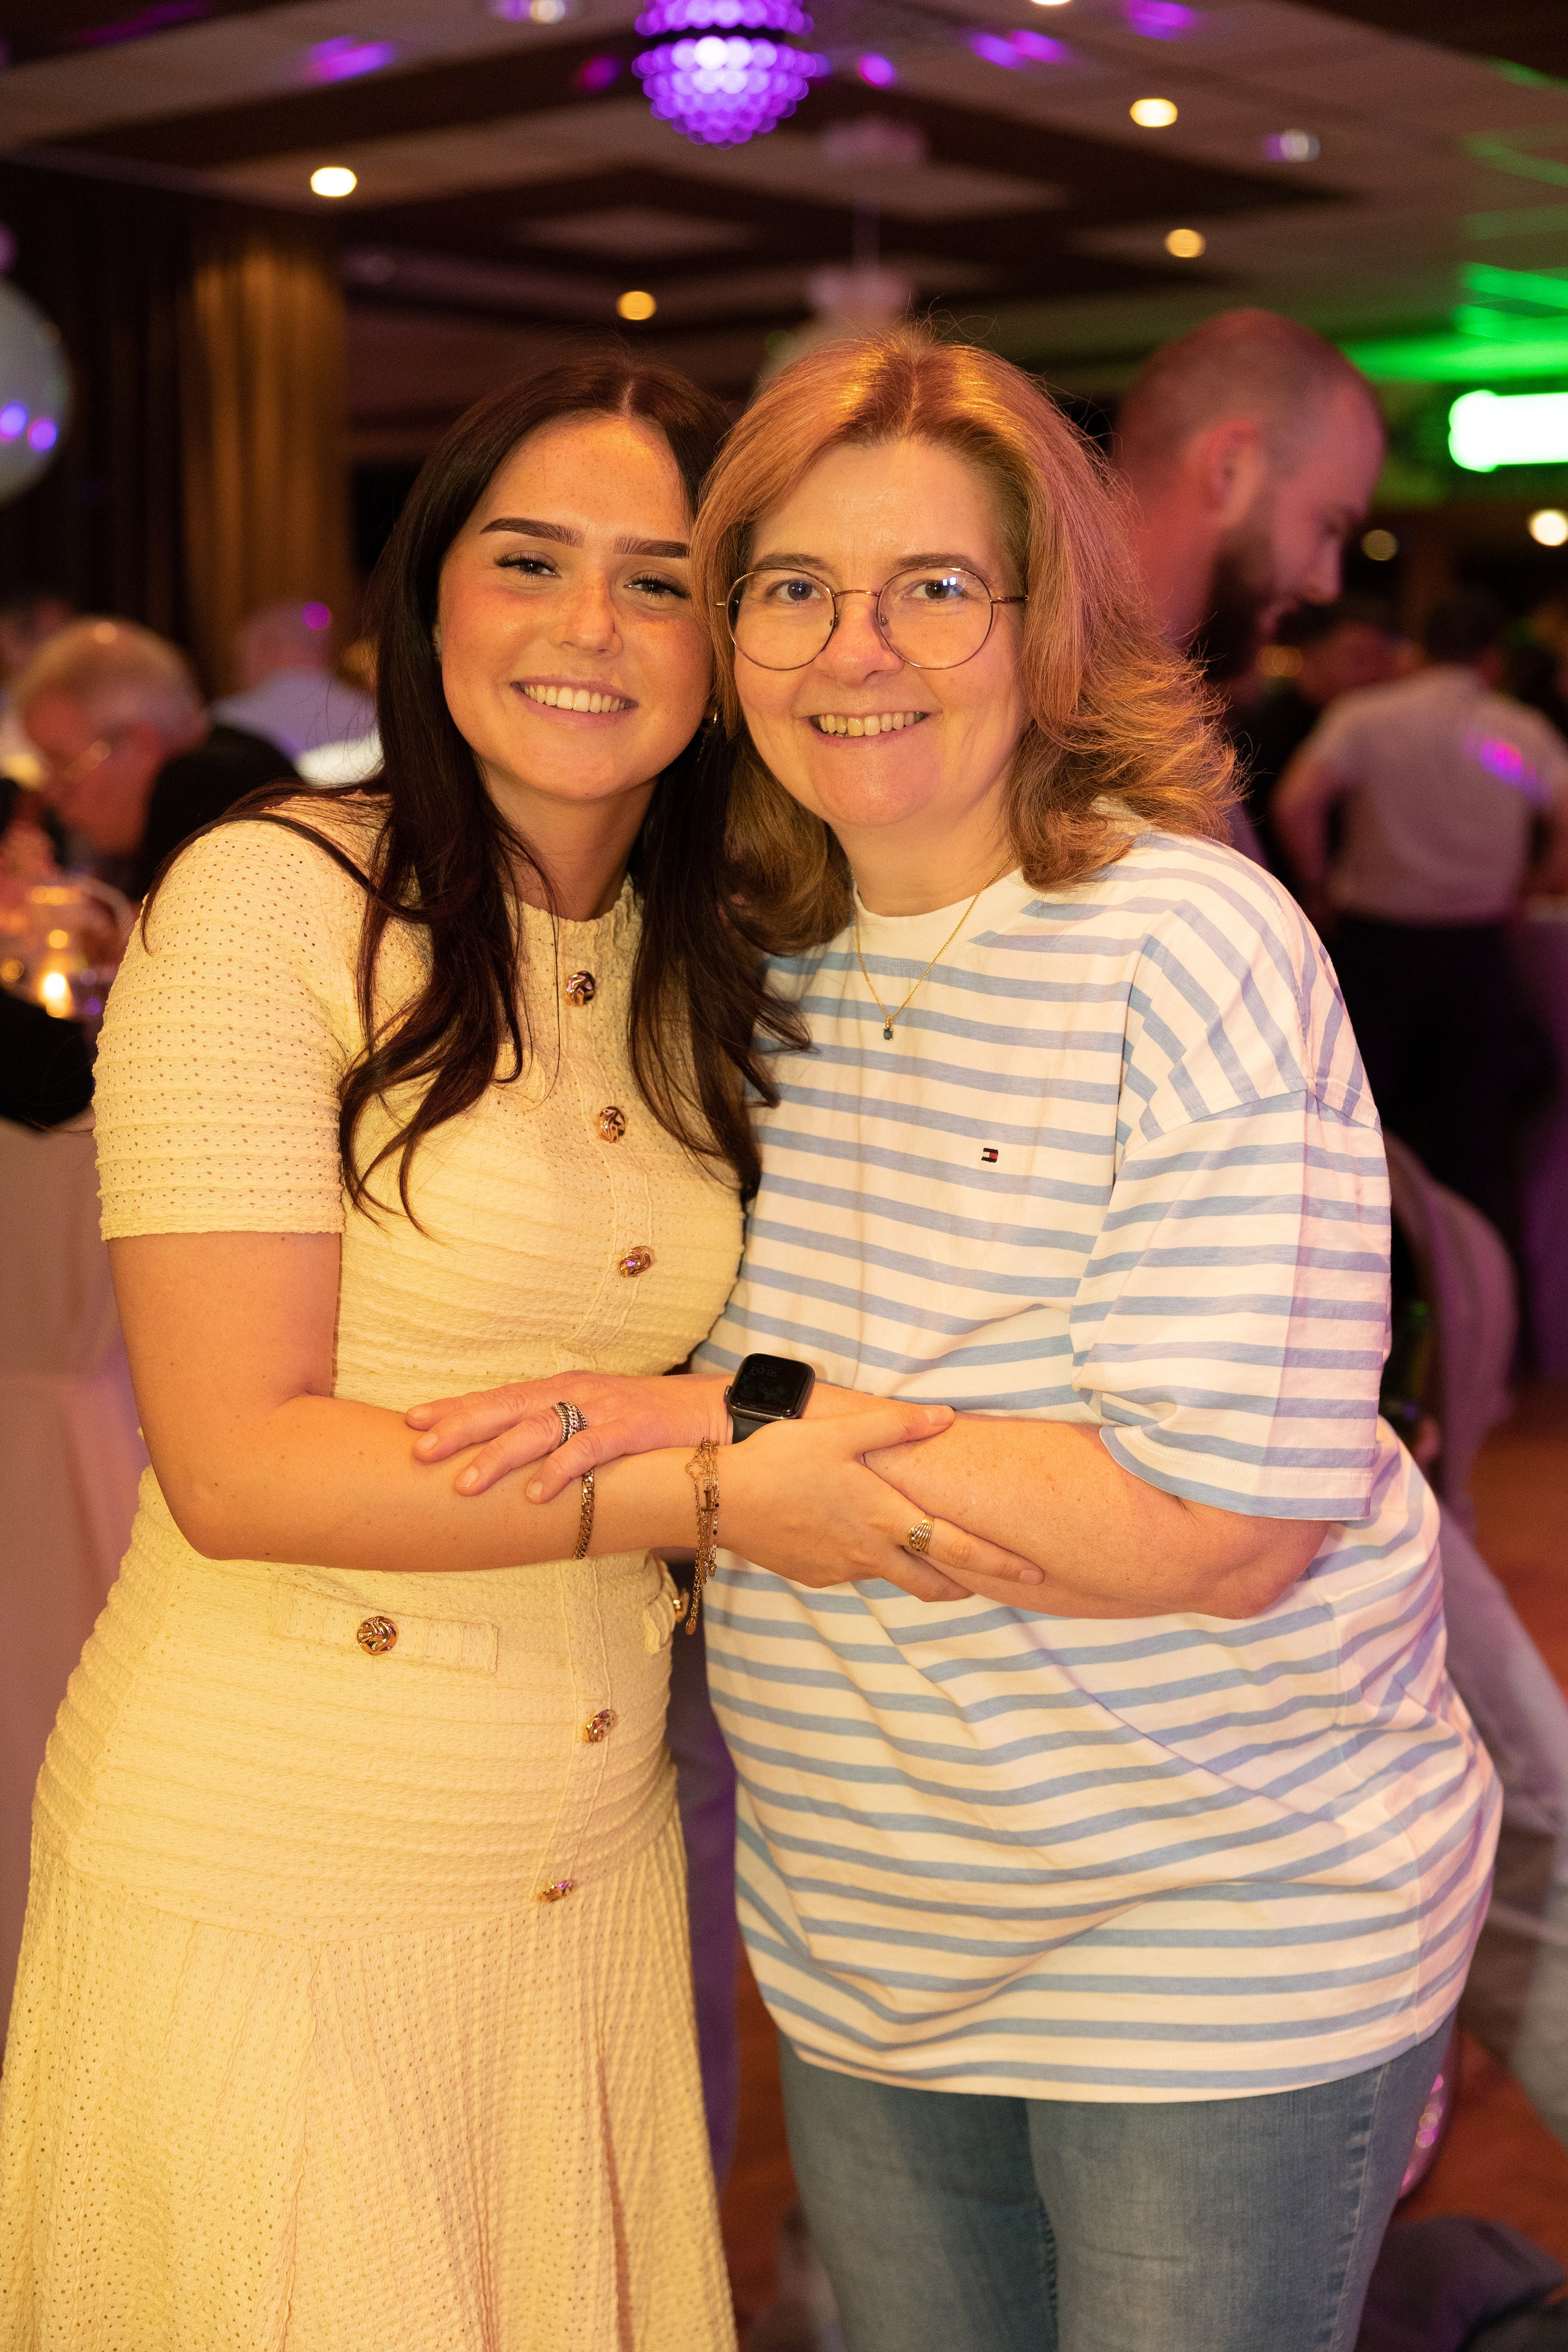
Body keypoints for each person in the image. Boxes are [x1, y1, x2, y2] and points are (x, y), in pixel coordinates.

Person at [407, 333, 1498, 2352]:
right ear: (732, 636)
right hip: (865, 1949)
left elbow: (1220, 1525)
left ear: (1047, 620)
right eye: (794, 587)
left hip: (1212, 1937)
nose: (859, 649)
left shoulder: (1184, 941)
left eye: (934, 587)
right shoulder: (737, 964)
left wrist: (724, 1429)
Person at [0, 354, 1046, 2350]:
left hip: (587, 1859)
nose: (590, 627)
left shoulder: (710, 949)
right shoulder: (275, 903)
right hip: (281, 1860)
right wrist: (724, 1488)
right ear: (432, 598)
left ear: (728, 643)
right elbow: (238, 1465)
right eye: (530, 560)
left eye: (659, 581)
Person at [1273, 586, 1568, 1225]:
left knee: (1356, 1124)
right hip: (1476, 947)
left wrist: (1316, 886)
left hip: (1374, 944)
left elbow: (1296, 804)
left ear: (1421, 649)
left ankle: (1364, 1262)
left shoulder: (1366, 717)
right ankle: (1471, 1279)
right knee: (1470, 1135)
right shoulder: (1517, 730)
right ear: (1491, 660)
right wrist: (1532, 885)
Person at [1114, 307, 1387, 689]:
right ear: (1231, 469)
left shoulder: (1081, 673)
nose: (1327, 585)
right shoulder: (1047, 692)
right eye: (1329, 526)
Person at [13, 617, 296, 898]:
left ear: (138, 745)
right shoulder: (232, 750)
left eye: (61, 763)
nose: (51, 794)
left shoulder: (205, 784)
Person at [1231, 596, 1400, 864]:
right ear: (1313, 656)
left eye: (1380, 659)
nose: (1372, 672)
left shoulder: (1375, 728)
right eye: (1357, 658)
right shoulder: (1262, 735)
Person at [211, 598, 377, 761]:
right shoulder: (374, 716)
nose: (237, 672)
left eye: (240, 656)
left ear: (269, 647)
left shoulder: (226, 720)